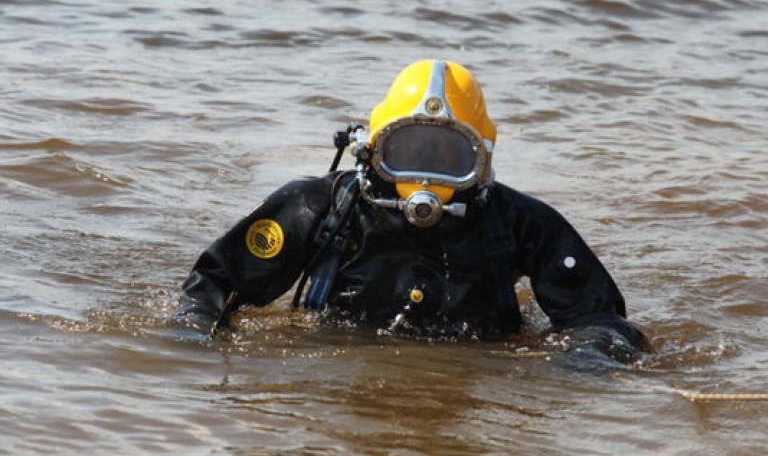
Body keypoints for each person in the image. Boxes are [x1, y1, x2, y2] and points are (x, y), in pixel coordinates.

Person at [174, 59, 649, 361]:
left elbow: (601, 322)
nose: (426, 176)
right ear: (372, 147)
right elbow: (213, 287)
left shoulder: (523, 223)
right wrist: (197, 348)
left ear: (481, 157)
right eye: (409, 151)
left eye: (449, 156)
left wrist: (580, 367)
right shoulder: (317, 207)